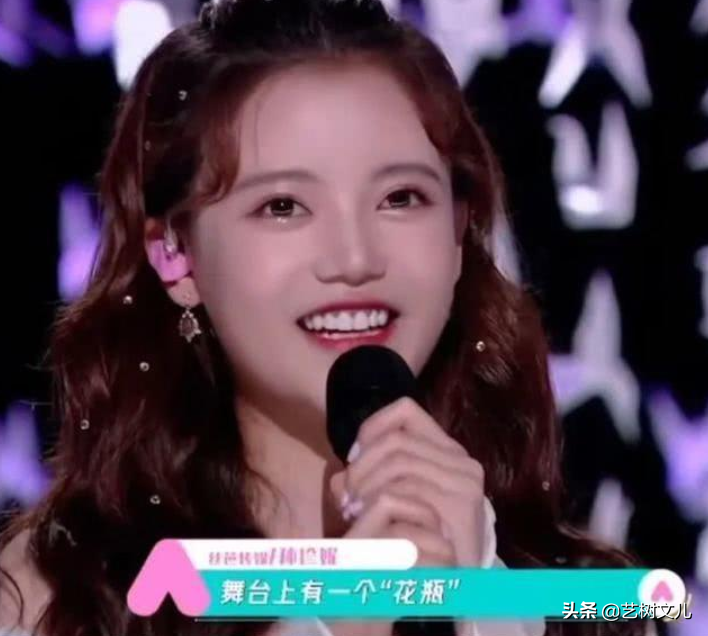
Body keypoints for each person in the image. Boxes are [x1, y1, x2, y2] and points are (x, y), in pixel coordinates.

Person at [0, 1, 655, 635]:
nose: (355, 259)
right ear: (175, 252)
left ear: (459, 229)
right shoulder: (55, 599)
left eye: (401, 198)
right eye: (283, 206)